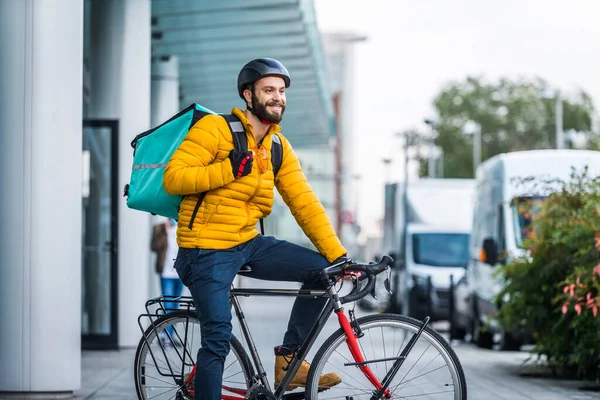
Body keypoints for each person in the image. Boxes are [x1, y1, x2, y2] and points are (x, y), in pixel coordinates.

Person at [163, 58, 348, 399]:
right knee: (217, 337)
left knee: (323, 272)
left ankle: (288, 362)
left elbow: (304, 202)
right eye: (268, 90)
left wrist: (339, 256)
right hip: (205, 249)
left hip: (247, 243)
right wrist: (226, 169)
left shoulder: (277, 146)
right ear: (248, 96)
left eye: (281, 91)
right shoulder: (215, 129)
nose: (278, 97)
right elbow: (174, 177)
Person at [150, 217, 184, 339]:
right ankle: (166, 334)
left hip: (180, 273)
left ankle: (171, 335)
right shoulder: (159, 228)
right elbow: (154, 247)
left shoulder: (184, 228)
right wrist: (165, 231)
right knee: (168, 304)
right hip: (166, 273)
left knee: (176, 305)